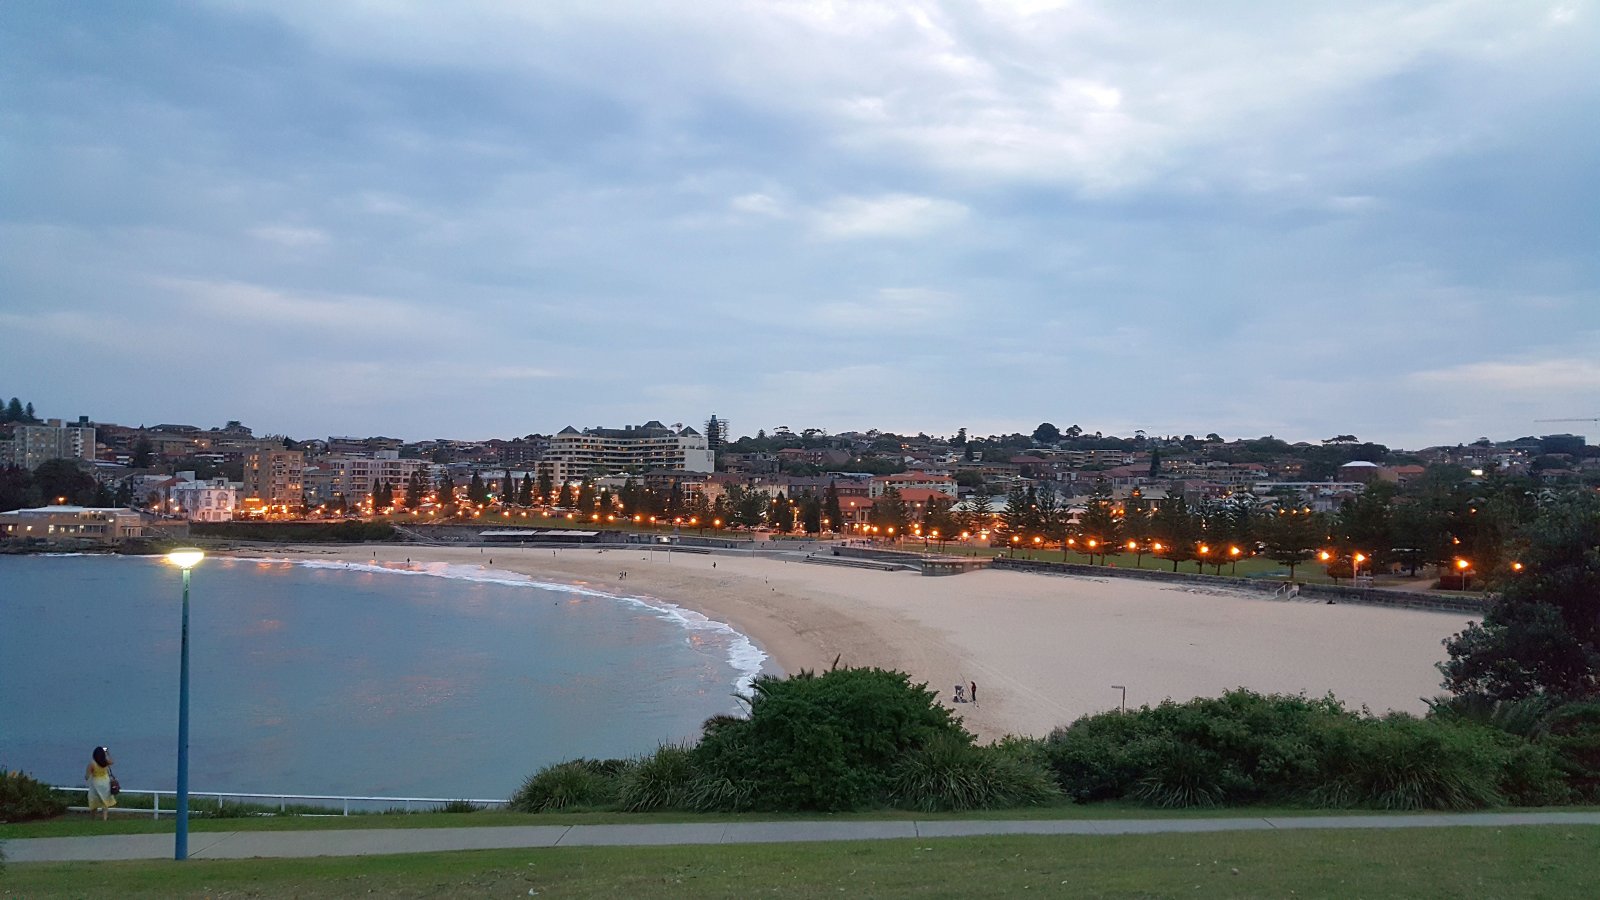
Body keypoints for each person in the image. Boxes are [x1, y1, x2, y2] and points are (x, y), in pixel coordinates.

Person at [85, 746, 116, 820]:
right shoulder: (105, 762)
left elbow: (87, 777)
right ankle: (104, 818)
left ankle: (93, 818)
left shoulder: (92, 764)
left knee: (94, 801)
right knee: (105, 801)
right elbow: (112, 761)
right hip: (106, 782)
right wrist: (107, 753)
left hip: (96, 783)